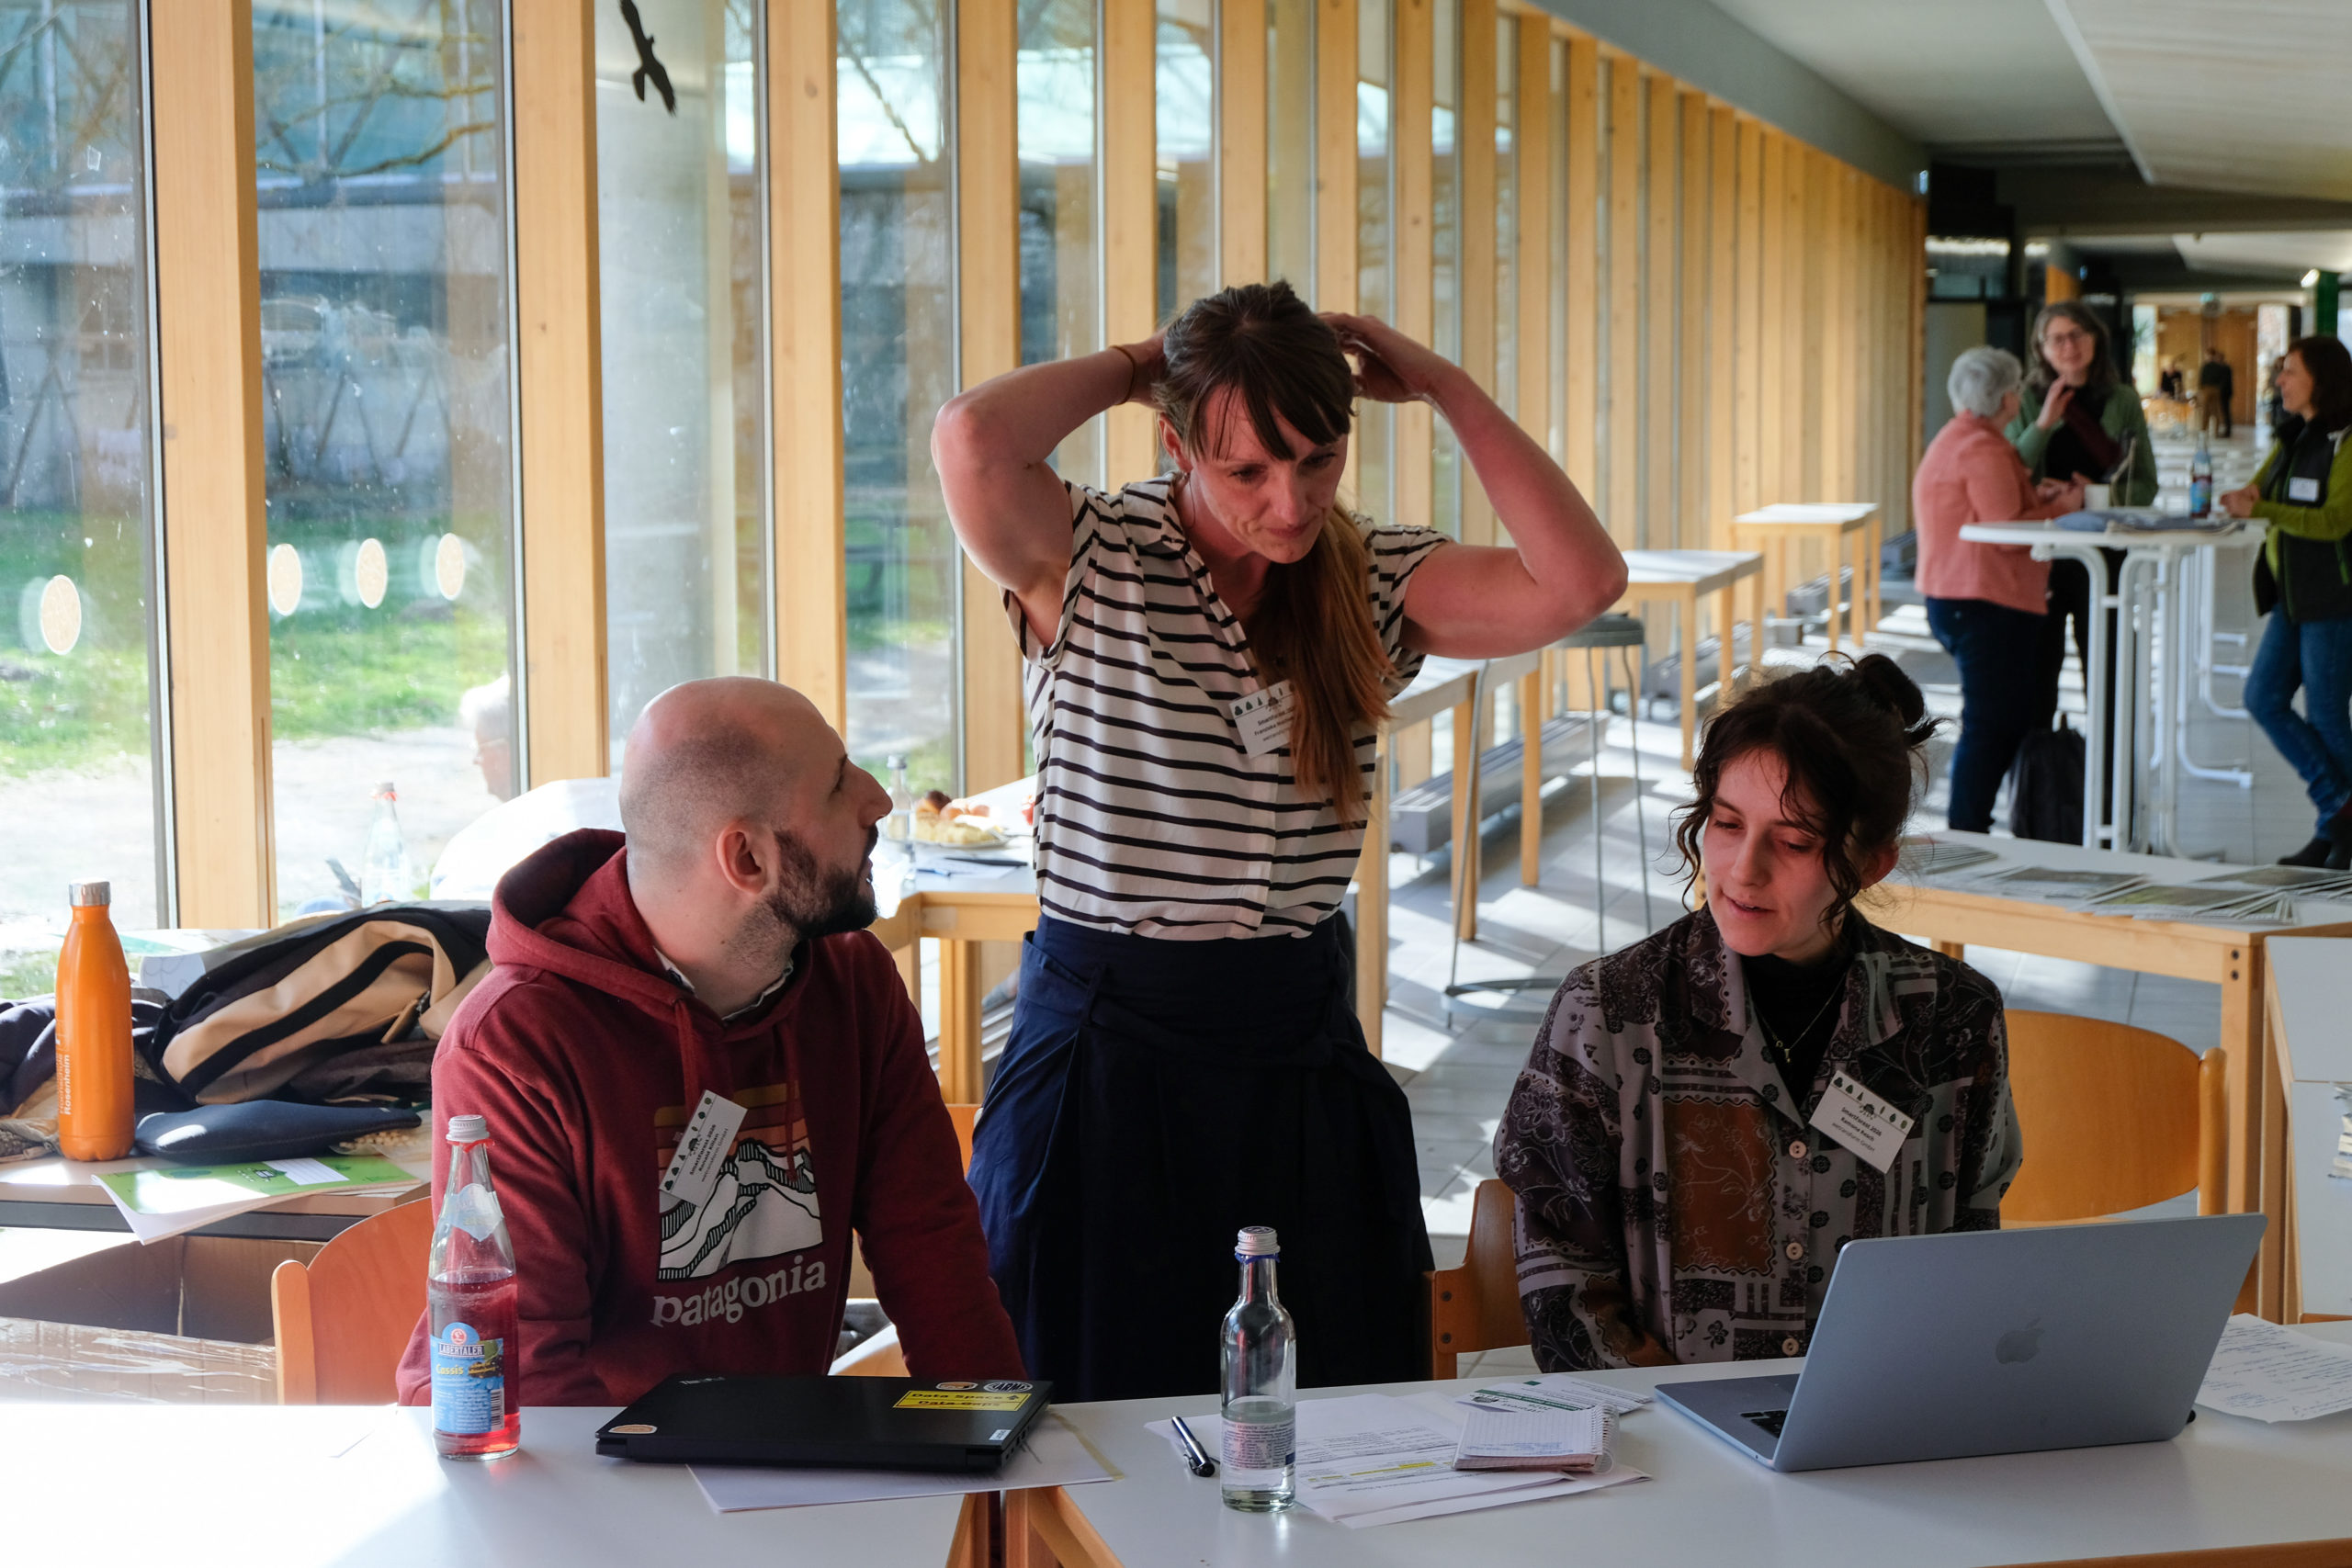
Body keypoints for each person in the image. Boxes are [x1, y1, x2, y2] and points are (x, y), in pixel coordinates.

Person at [933, 280, 1626, 1402]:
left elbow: (1580, 580)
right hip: (1109, 1050)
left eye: (1317, 461)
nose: (1291, 503)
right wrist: (1146, 357)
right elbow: (971, 436)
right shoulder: (1092, 555)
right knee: (1094, 1394)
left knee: (1331, 1393)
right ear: (1176, 442)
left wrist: (1444, 386)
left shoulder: (1370, 576)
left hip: (1293, 1047)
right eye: (1247, 469)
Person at [392, 677, 1023, 1406]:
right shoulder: (513, 1046)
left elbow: (933, 1251)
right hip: (582, 1484)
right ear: (747, 861)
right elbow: (533, 1387)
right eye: (839, 785)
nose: (879, 799)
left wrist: (1001, 1471)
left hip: (768, 1465)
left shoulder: (853, 983)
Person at [1494, 656, 2021, 1371]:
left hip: (1878, 1436)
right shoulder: (1609, 1014)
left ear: (1874, 862)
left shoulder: (1952, 1019)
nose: (1744, 868)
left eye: (1795, 841)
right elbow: (1562, 1280)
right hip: (1669, 1452)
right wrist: (1684, 1429)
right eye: (1726, 821)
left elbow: (1969, 1251)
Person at [1916, 346, 2084, 832]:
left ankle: (1978, 827)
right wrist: (2065, 509)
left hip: (1965, 598)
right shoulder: (1983, 448)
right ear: (2008, 398)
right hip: (1984, 602)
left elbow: (1997, 509)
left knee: (2001, 720)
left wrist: (2041, 498)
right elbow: (2007, 530)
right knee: (1992, 727)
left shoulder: (1963, 438)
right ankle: (1969, 834)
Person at [2007, 303, 2154, 829]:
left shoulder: (2120, 400)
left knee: (2110, 681)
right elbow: (2009, 474)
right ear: (2041, 348)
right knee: (2034, 687)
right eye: (2055, 339)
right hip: (2041, 560)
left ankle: (2113, 806)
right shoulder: (2026, 399)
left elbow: (2145, 485)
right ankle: (2036, 807)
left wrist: (2088, 497)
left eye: (2077, 335)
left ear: (2095, 339)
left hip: (2108, 560)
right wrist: (2044, 421)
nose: (2068, 346)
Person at [2219, 337, 2352, 868]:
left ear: (2322, 378)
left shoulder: (2347, 440)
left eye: (2289, 371)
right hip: (2292, 598)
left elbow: (2336, 520)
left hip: (2335, 599)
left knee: (2326, 718)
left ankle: (2334, 832)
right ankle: (2338, 808)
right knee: (2263, 697)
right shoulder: (2292, 436)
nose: (2280, 381)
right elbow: (2257, 494)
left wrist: (2267, 510)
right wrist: (2247, 500)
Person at [2198, 347, 2235, 438]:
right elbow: (2202, 380)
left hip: (2213, 390)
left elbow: (2202, 380)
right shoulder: (2209, 366)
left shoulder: (2215, 367)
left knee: (2214, 411)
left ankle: (2208, 430)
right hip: (2211, 390)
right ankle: (2206, 430)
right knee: (2209, 411)